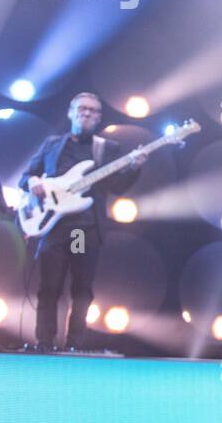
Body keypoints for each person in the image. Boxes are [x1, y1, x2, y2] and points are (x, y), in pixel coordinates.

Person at [17, 92, 147, 352]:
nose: (86, 114)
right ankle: (44, 342)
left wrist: (134, 167)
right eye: (82, 109)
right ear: (71, 112)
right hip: (52, 224)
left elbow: (117, 186)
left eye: (93, 111)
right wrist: (34, 183)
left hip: (81, 229)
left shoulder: (106, 149)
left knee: (80, 288)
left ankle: (74, 344)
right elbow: (27, 176)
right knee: (49, 285)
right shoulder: (52, 144)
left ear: (99, 118)